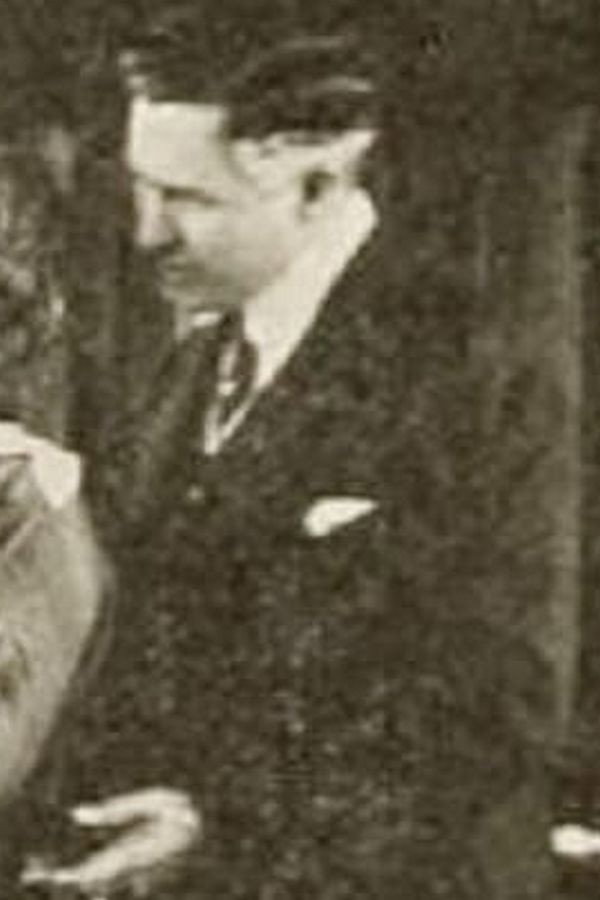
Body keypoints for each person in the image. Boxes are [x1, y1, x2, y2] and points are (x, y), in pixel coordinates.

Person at [22, 18, 574, 900]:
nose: (147, 234)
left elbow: (496, 723)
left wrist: (221, 827)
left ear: (316, 186)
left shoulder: (474, 367)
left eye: (190, 200)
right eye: (142, 189)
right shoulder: (202, 356)